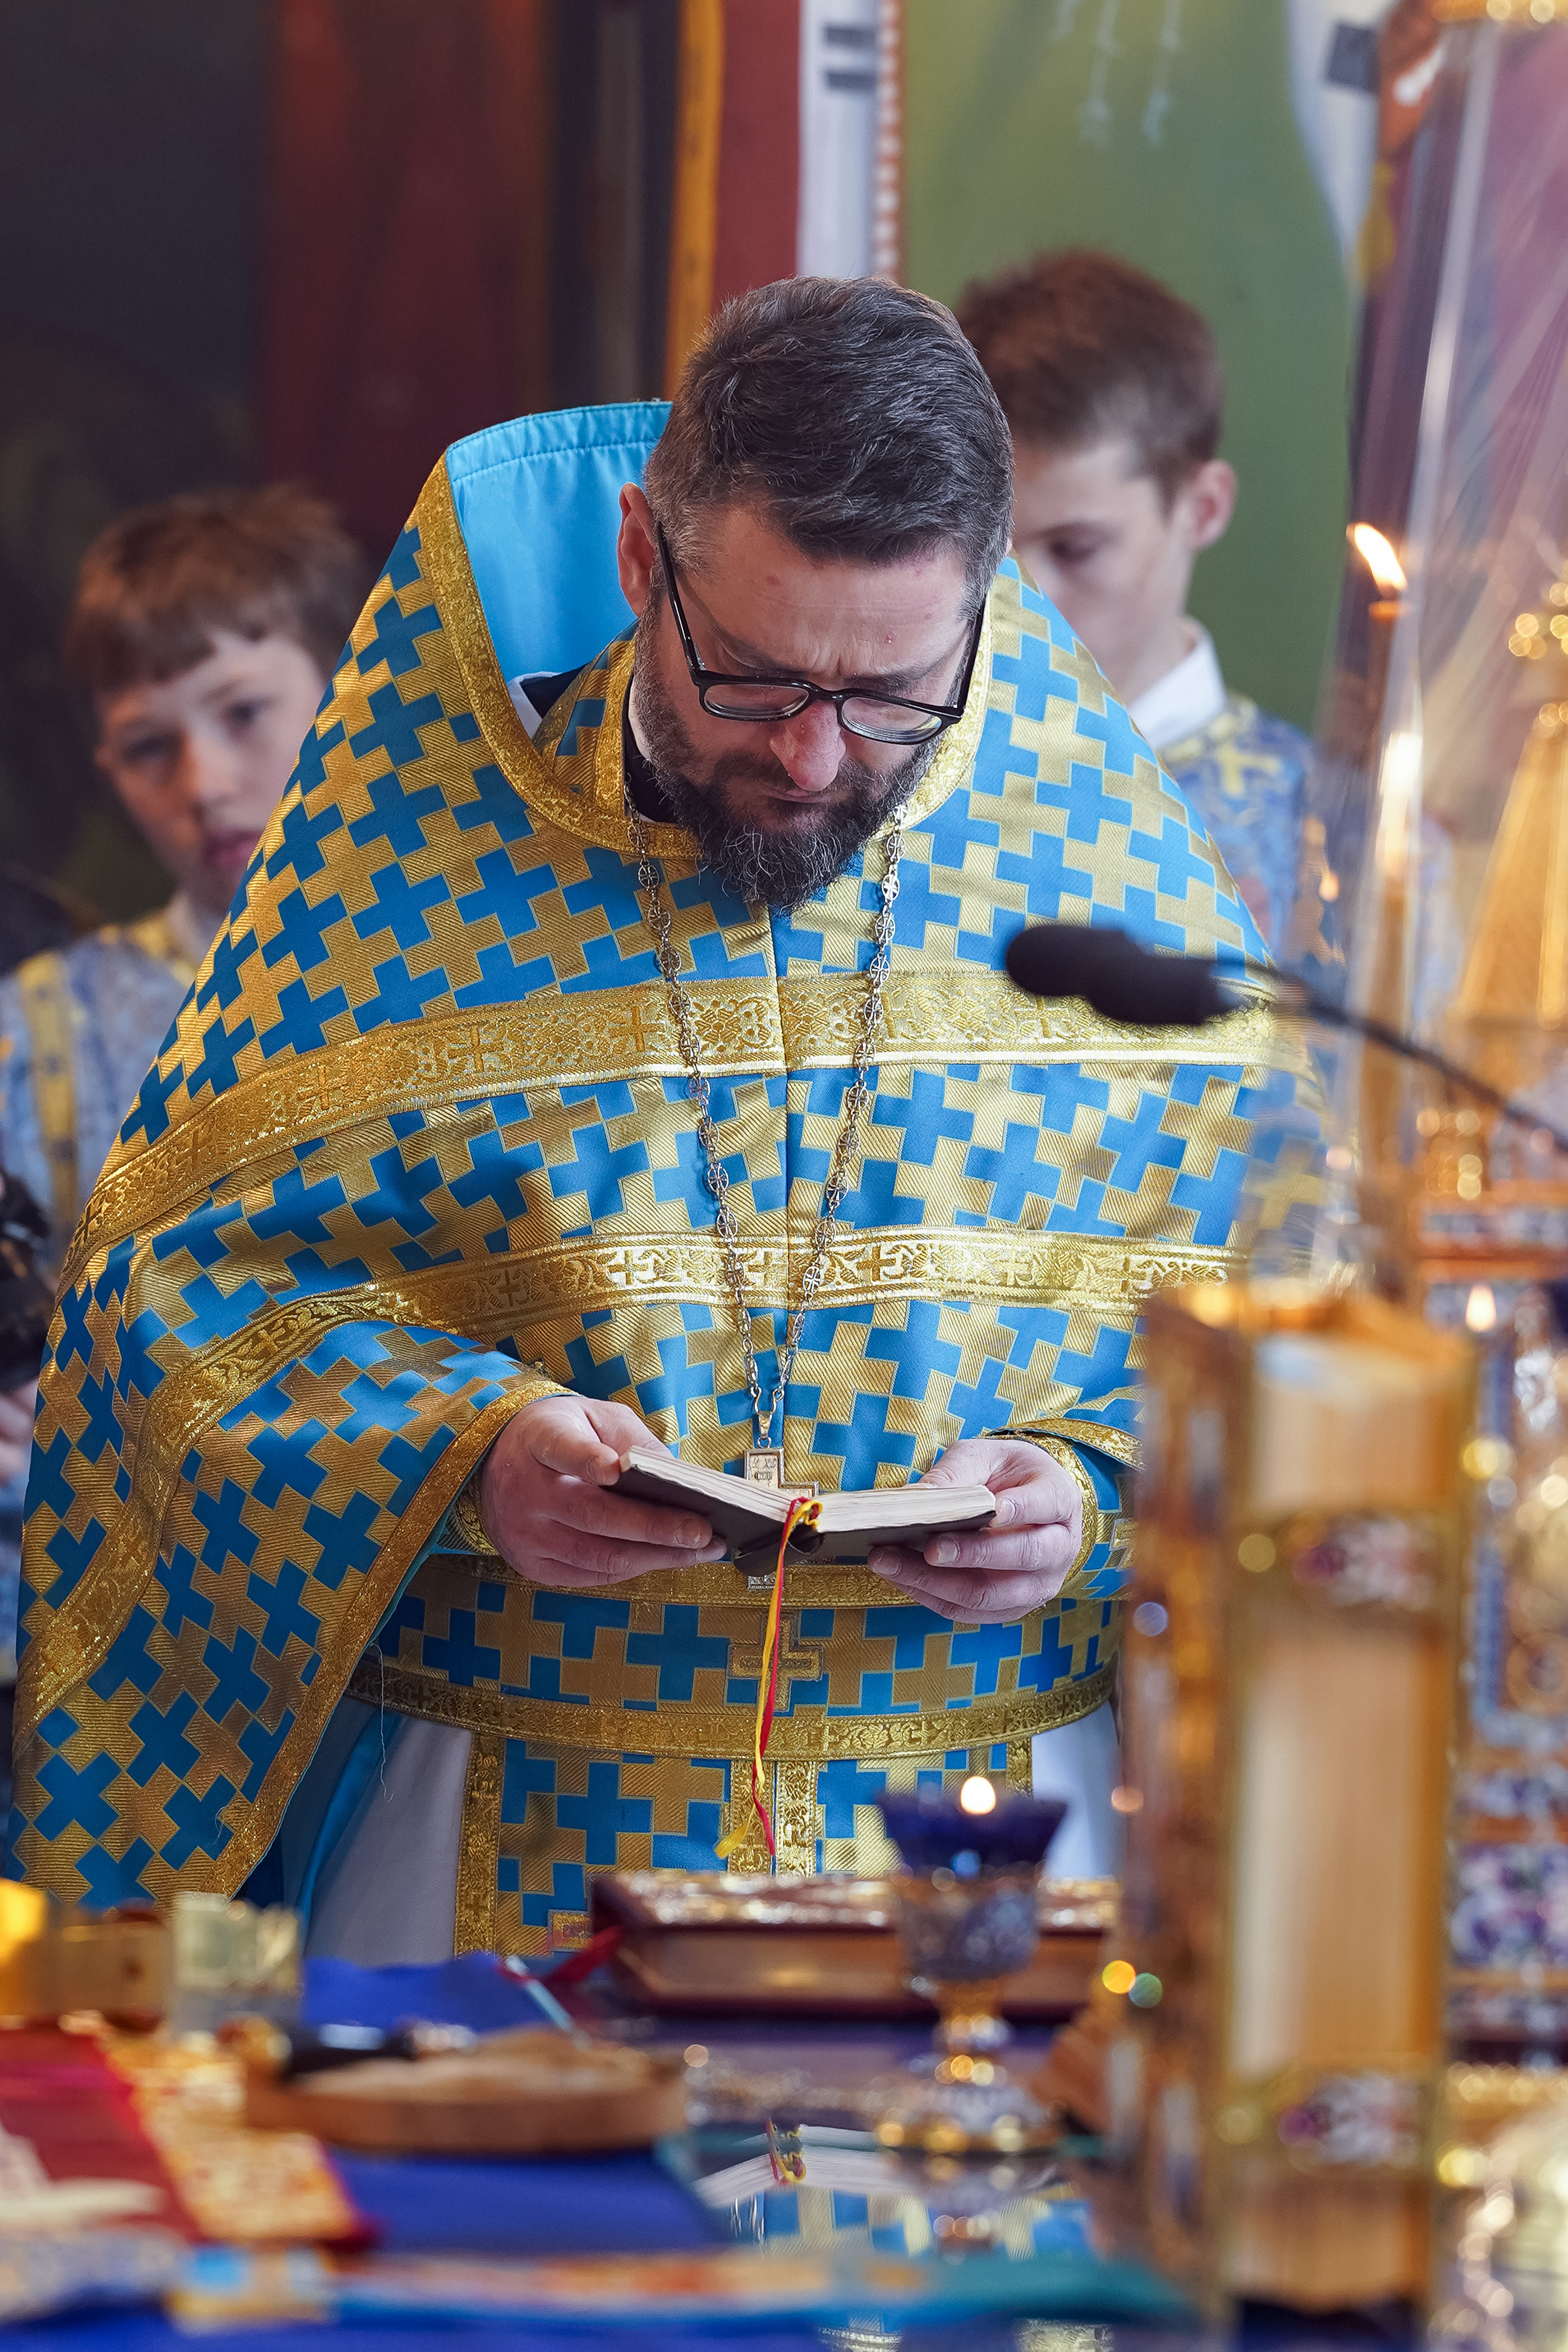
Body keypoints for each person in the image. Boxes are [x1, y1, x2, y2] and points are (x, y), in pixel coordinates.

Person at [11, 279, 1302, 1955]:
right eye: (752, 679)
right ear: (641, 560)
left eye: (895, 692)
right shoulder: (403, 886)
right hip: (492, 1845)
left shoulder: (1102, 889)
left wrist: (1091, 1495)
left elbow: (1285, 1324)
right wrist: (461, 1453)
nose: (818, 758)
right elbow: (174, 1306)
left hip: (984, 1863)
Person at [0, 489, 365, 1684]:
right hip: (133, 1646)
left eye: (245, 713)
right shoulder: (39, 1028)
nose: (204, 783)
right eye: (149, 746)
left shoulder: (467, 982)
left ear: (346, 690)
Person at [957, 249, 1321, 964]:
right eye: (987, 551)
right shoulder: (890, 783)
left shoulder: (1328, 832)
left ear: (1201, 508)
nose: (1018, 597)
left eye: (1075, 548)